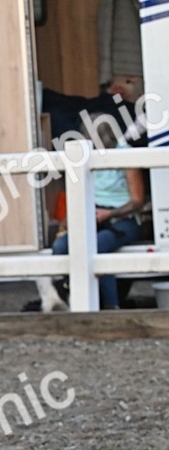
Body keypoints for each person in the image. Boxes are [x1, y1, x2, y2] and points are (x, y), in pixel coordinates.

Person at [51, 120, 145, 310]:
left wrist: (109, 213)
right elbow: (77, 193)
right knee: (61, 246)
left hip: (122, 218)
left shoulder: (125, 154)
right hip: (90, 214)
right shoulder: (83, 156)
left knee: (98, 245)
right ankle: (75, 299)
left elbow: (137, 200)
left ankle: (110, 306)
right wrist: (68, 221)